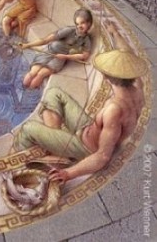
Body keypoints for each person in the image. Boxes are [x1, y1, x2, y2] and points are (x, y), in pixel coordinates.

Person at [13, 22, 147, 184]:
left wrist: (68, 174)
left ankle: (23, 169)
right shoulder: (138, 86)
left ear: (107, 76)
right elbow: (126, 52)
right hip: (87, 129)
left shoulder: (114, 109)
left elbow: (103, 156)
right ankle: (57, 148)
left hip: (85, 148)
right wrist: (115, 33)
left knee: (28, 129)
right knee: (54, 93)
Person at [20, 8, 93, 89]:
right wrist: (28, 45)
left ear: (89, 23)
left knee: (40, 74)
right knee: (33, 72)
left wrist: (66, 57)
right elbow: (45, 40)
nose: (79, 26)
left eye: (82, 23)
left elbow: (84, 56)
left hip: (60, 58)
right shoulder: (69, 30)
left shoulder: (87, 40)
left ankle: (29, 91)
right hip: (49, 51)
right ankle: (23, 89)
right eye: (77, 24)